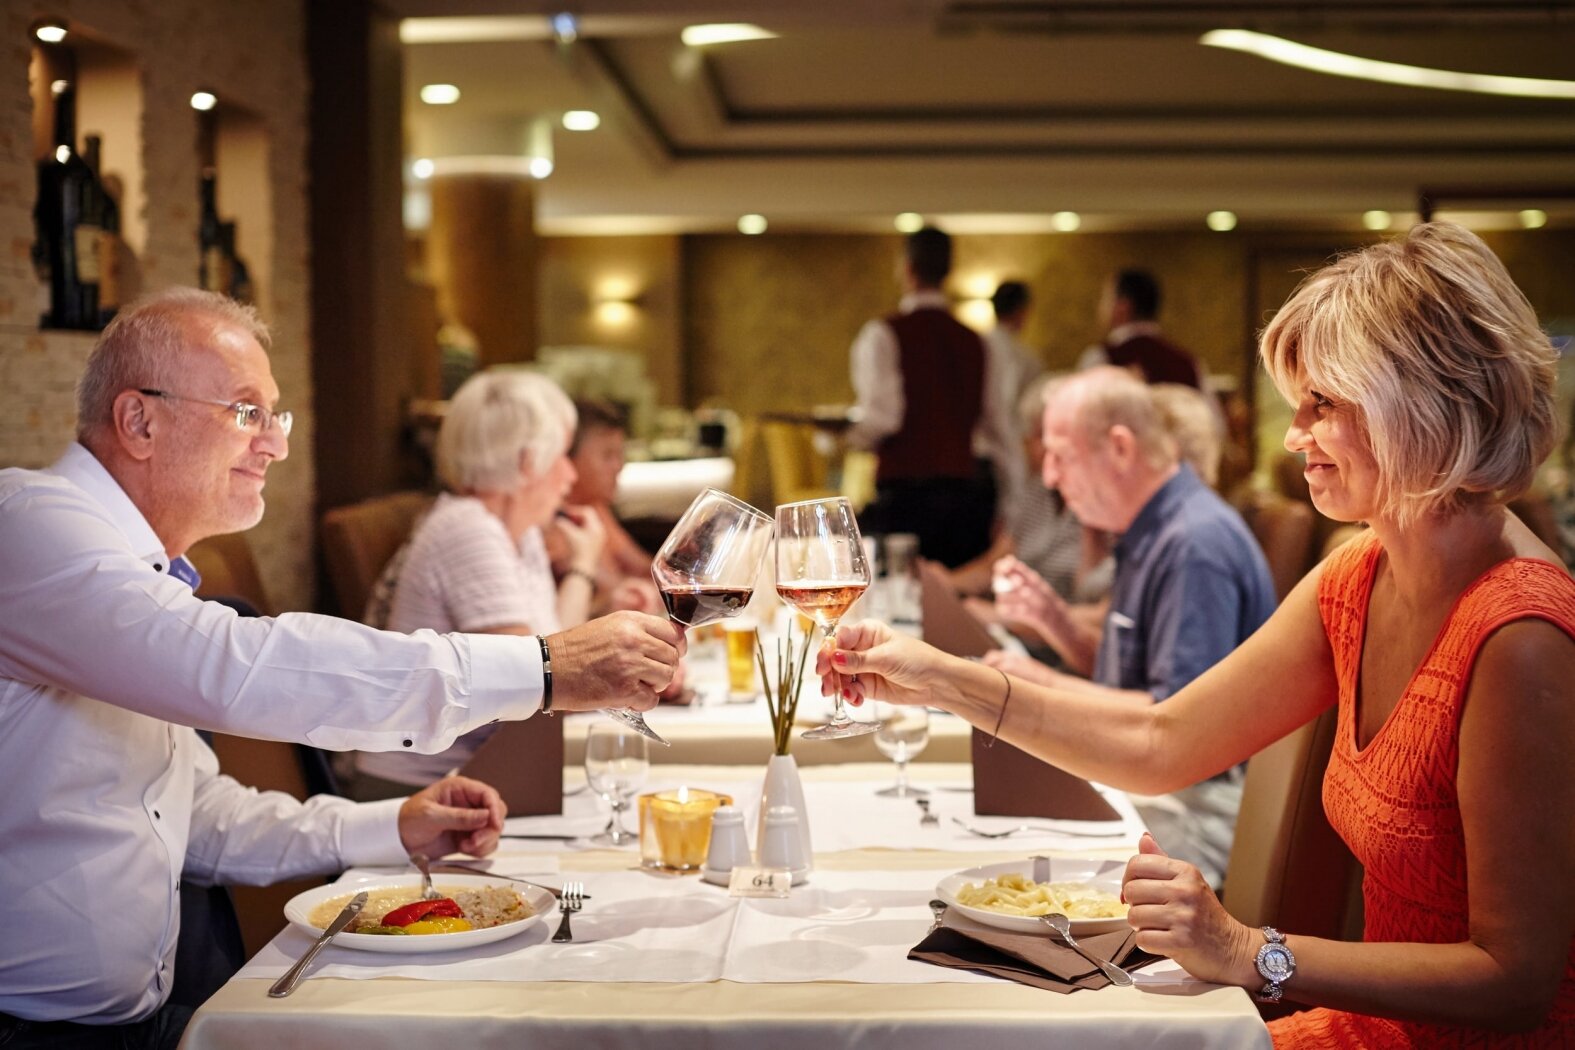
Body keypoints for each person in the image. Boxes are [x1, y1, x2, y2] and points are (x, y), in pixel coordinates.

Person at [821, 223, 1575, 1046]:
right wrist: (939, 679)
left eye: (1321, 404)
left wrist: (1250, 951)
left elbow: (1515, 982)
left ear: (1419, 407)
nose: (1292, 436)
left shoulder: (1520, 634)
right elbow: (1160, 741)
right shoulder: (1358, 574)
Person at [0, 289, 684, 1046]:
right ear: (139, 420)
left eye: (276, 416)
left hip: (138, 1020)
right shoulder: (28, 529)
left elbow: (197, 818)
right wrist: (545, 667)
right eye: (246, 412)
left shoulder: (138, 577)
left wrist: (393, 824)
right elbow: (240, 664)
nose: (275, 444)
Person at [983, 367, 1276, 883]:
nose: (1049, 476)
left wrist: (1039, 684)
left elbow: (1177, 723)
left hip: (1202, 808)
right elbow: (1131, 679)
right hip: (1160, 782)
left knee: (1021, 850)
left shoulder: (1193, 545)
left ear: (1119, 448)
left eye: (1060, 456)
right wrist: (1056, 623)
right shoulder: (1153, 526)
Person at [352, 373, 608, 800]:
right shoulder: (467, 530)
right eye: (562, 455)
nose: (570, 475)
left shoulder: (518, 533)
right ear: (528, 461)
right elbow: (538, 690)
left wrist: (582, 565)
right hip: (416, 794)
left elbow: (552, 656)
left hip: (481, 777)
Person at [846, 226, 1001, 567]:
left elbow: (884, 418)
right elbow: (993, 422)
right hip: (965, 494)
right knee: (959, 592)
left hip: (905, 497)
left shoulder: (883, 334)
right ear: (948, 270)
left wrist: (843, 434)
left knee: (901, 589)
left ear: (907, 268)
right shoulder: (976, 341)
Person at [544, 398, 663, 616]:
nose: (619, 466)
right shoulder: (551, 521)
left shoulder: (594, 507)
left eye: (620, 454)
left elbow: (649, 571)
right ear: (567, 458)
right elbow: (617, 592)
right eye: (608, 455)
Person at [976, 281, 1044, 528]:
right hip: (1006, 454)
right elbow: (1013, 415)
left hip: (974, 459)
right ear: (1022, 311)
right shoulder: (1025, 358)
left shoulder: (974, 346)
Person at [1079, 268, 1203, 388]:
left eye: (1105, 298)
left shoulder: (1101, 360)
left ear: (1123, 307)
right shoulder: (1190, 364)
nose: (1100, 307)